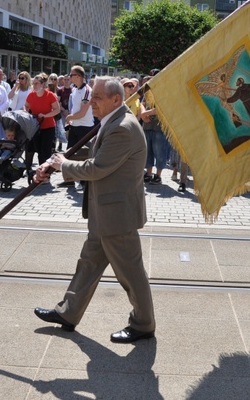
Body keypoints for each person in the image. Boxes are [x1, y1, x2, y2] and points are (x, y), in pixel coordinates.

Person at [33, 76, 155, 344]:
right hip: (106, 213)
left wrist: (61, 166)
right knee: (88, 264)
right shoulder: (113, 122)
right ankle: (68, 312)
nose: (91, 103)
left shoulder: (122, 127)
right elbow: (93, 152)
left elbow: (96, 168)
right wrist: (55, 162)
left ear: (115, 99)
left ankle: (144, 324)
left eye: (97, 98)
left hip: (117, 216)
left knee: (131, 273)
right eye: (91, 97)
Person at [61, 65, 94, 188]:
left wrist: (70, 117)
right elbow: (74, 109)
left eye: (71, 75)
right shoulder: (74, 89)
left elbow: (82, 112)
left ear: (79, 76)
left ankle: (84, 179)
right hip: (75, 125)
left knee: (85, 154)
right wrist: (70, 120)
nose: (69, 77)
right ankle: (69, 179)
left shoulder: (87, 91)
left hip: (85, 127)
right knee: (70, 152)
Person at [25, 73, 60, 169]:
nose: (34, 86)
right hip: (35, 126)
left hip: (48, 127)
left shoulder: (50, 95)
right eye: (33, 83)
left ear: (43, 84)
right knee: (39, 150)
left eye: (36, 83)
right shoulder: (31, 95)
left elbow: (57, 110)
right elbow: (26, 106)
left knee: (46, 151)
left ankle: (46, 174)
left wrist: (45, 115)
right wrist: (27, 114)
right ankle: (41, 171)